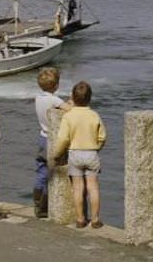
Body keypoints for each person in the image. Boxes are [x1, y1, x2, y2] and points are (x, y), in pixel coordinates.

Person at [51, 81, 106, 229]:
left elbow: (63, 139)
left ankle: (80, 219)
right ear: (90, 99)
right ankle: (95, 220)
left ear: (73, 99)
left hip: (74, 154)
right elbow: (102, 137)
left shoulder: (69, 116)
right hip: (91, 154)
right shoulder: (94, 115)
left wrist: (56, 154)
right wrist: (96, 148)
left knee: (78, 188)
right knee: (93, 188)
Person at [32, 67, 70, 218]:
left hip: (42, 137)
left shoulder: (38, 98)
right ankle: (46, 206)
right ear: (56, 86)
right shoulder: (54, 99)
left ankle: (36, 201)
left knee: (41, 172)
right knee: (52, 173)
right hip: (52, 139)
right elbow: (69, 110)